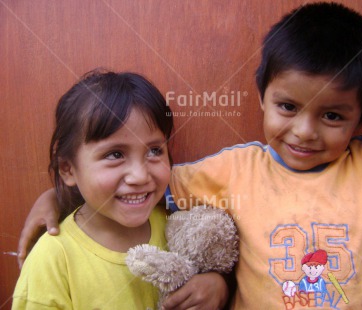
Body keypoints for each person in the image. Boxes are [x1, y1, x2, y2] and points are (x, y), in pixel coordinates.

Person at [16, 2, 362, 309]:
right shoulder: (234, 169)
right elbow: (141, 181)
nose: (305, 131)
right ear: (262, 98)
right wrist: (57, 194)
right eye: (288, 107)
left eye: (330, 115)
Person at [12, 70, 228, 309]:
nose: (139, 175)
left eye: (154, 151)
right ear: (68, 169)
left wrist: (219, 286)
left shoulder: (175, 224)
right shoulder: (52, 261)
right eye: (115, 154)